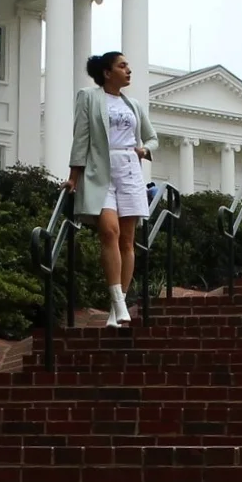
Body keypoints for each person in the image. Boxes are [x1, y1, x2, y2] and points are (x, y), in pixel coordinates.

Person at [67, 50, 155, 327]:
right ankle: (118, 302)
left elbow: (152, 138)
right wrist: (73, 176)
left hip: (129, 169)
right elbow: (81, 137)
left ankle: (119, 308)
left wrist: (143, 150)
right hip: (100, 171)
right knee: (109, 231)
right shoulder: (89, 97)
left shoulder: (134, 105)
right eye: (122, 66)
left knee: (127, 240)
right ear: (107, 72)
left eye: (128, 65)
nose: (128, 70)